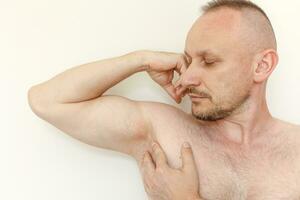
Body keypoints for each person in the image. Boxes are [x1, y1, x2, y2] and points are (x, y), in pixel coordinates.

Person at [28, 0, 300, 199]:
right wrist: (140, 60)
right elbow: (47, 101)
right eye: (189, 60)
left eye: (209, 61)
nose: (187, 78)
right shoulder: (164, 132)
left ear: (262, 66)